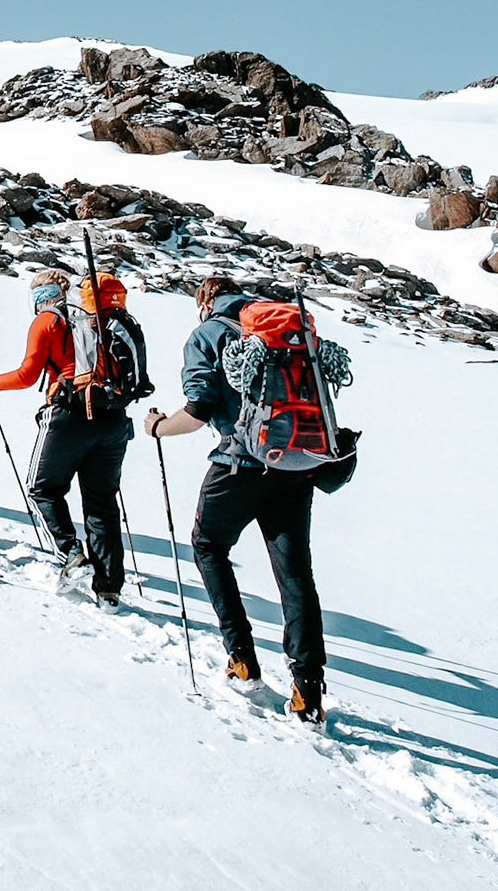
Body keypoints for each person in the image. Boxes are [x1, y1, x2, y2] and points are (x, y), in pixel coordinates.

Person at [144, 275, 328, 724]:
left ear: (205, 300)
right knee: (295, 574)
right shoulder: (283, 331)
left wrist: (158, 427)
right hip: (295, 464)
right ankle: (308, 690)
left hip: (238, 466)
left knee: (208, 546)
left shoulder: (207, 334)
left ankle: (242, 657)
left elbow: (198, 411)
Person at [0, 269, 147, 605]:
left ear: (42, 296)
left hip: (68, 415)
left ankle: (71, 554)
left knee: (41, 488)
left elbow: (27, 375)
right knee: (102, 502)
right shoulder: (102, 319)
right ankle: (109, 588)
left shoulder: (48, 321)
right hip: (112, 417)